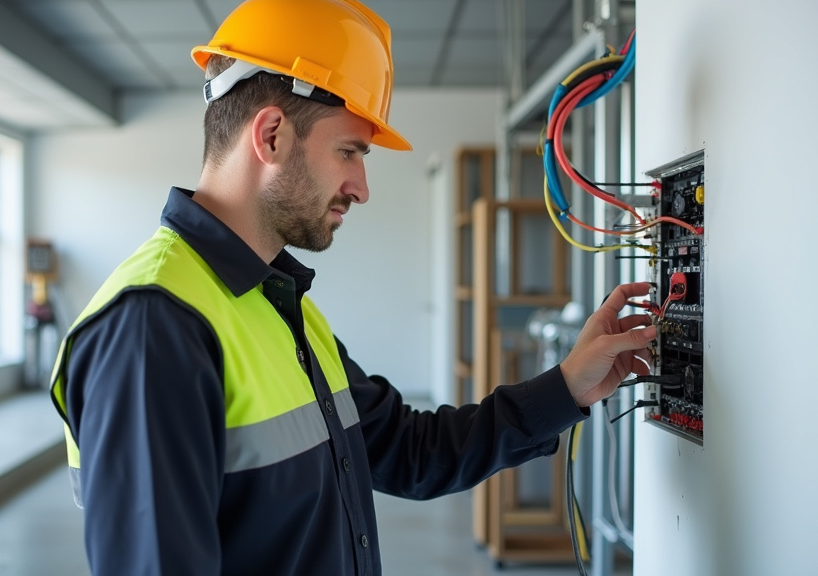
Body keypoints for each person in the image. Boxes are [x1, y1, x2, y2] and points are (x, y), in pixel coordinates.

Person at [48, 0, 656, 574]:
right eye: (349, 152)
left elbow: (409, 450)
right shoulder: (154, 327)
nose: (361, 187)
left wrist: (567, 387)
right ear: (270, 136)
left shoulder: (277, 304)